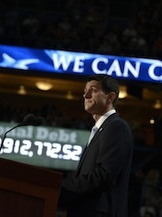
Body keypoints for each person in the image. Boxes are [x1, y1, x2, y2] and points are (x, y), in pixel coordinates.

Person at [59, 74, 133, 217]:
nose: (85, 95)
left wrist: (58, 186)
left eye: (92, 90)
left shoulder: (116, 127)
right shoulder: (100, 129)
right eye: (85, 90)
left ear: (110, 97)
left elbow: (102, 176)